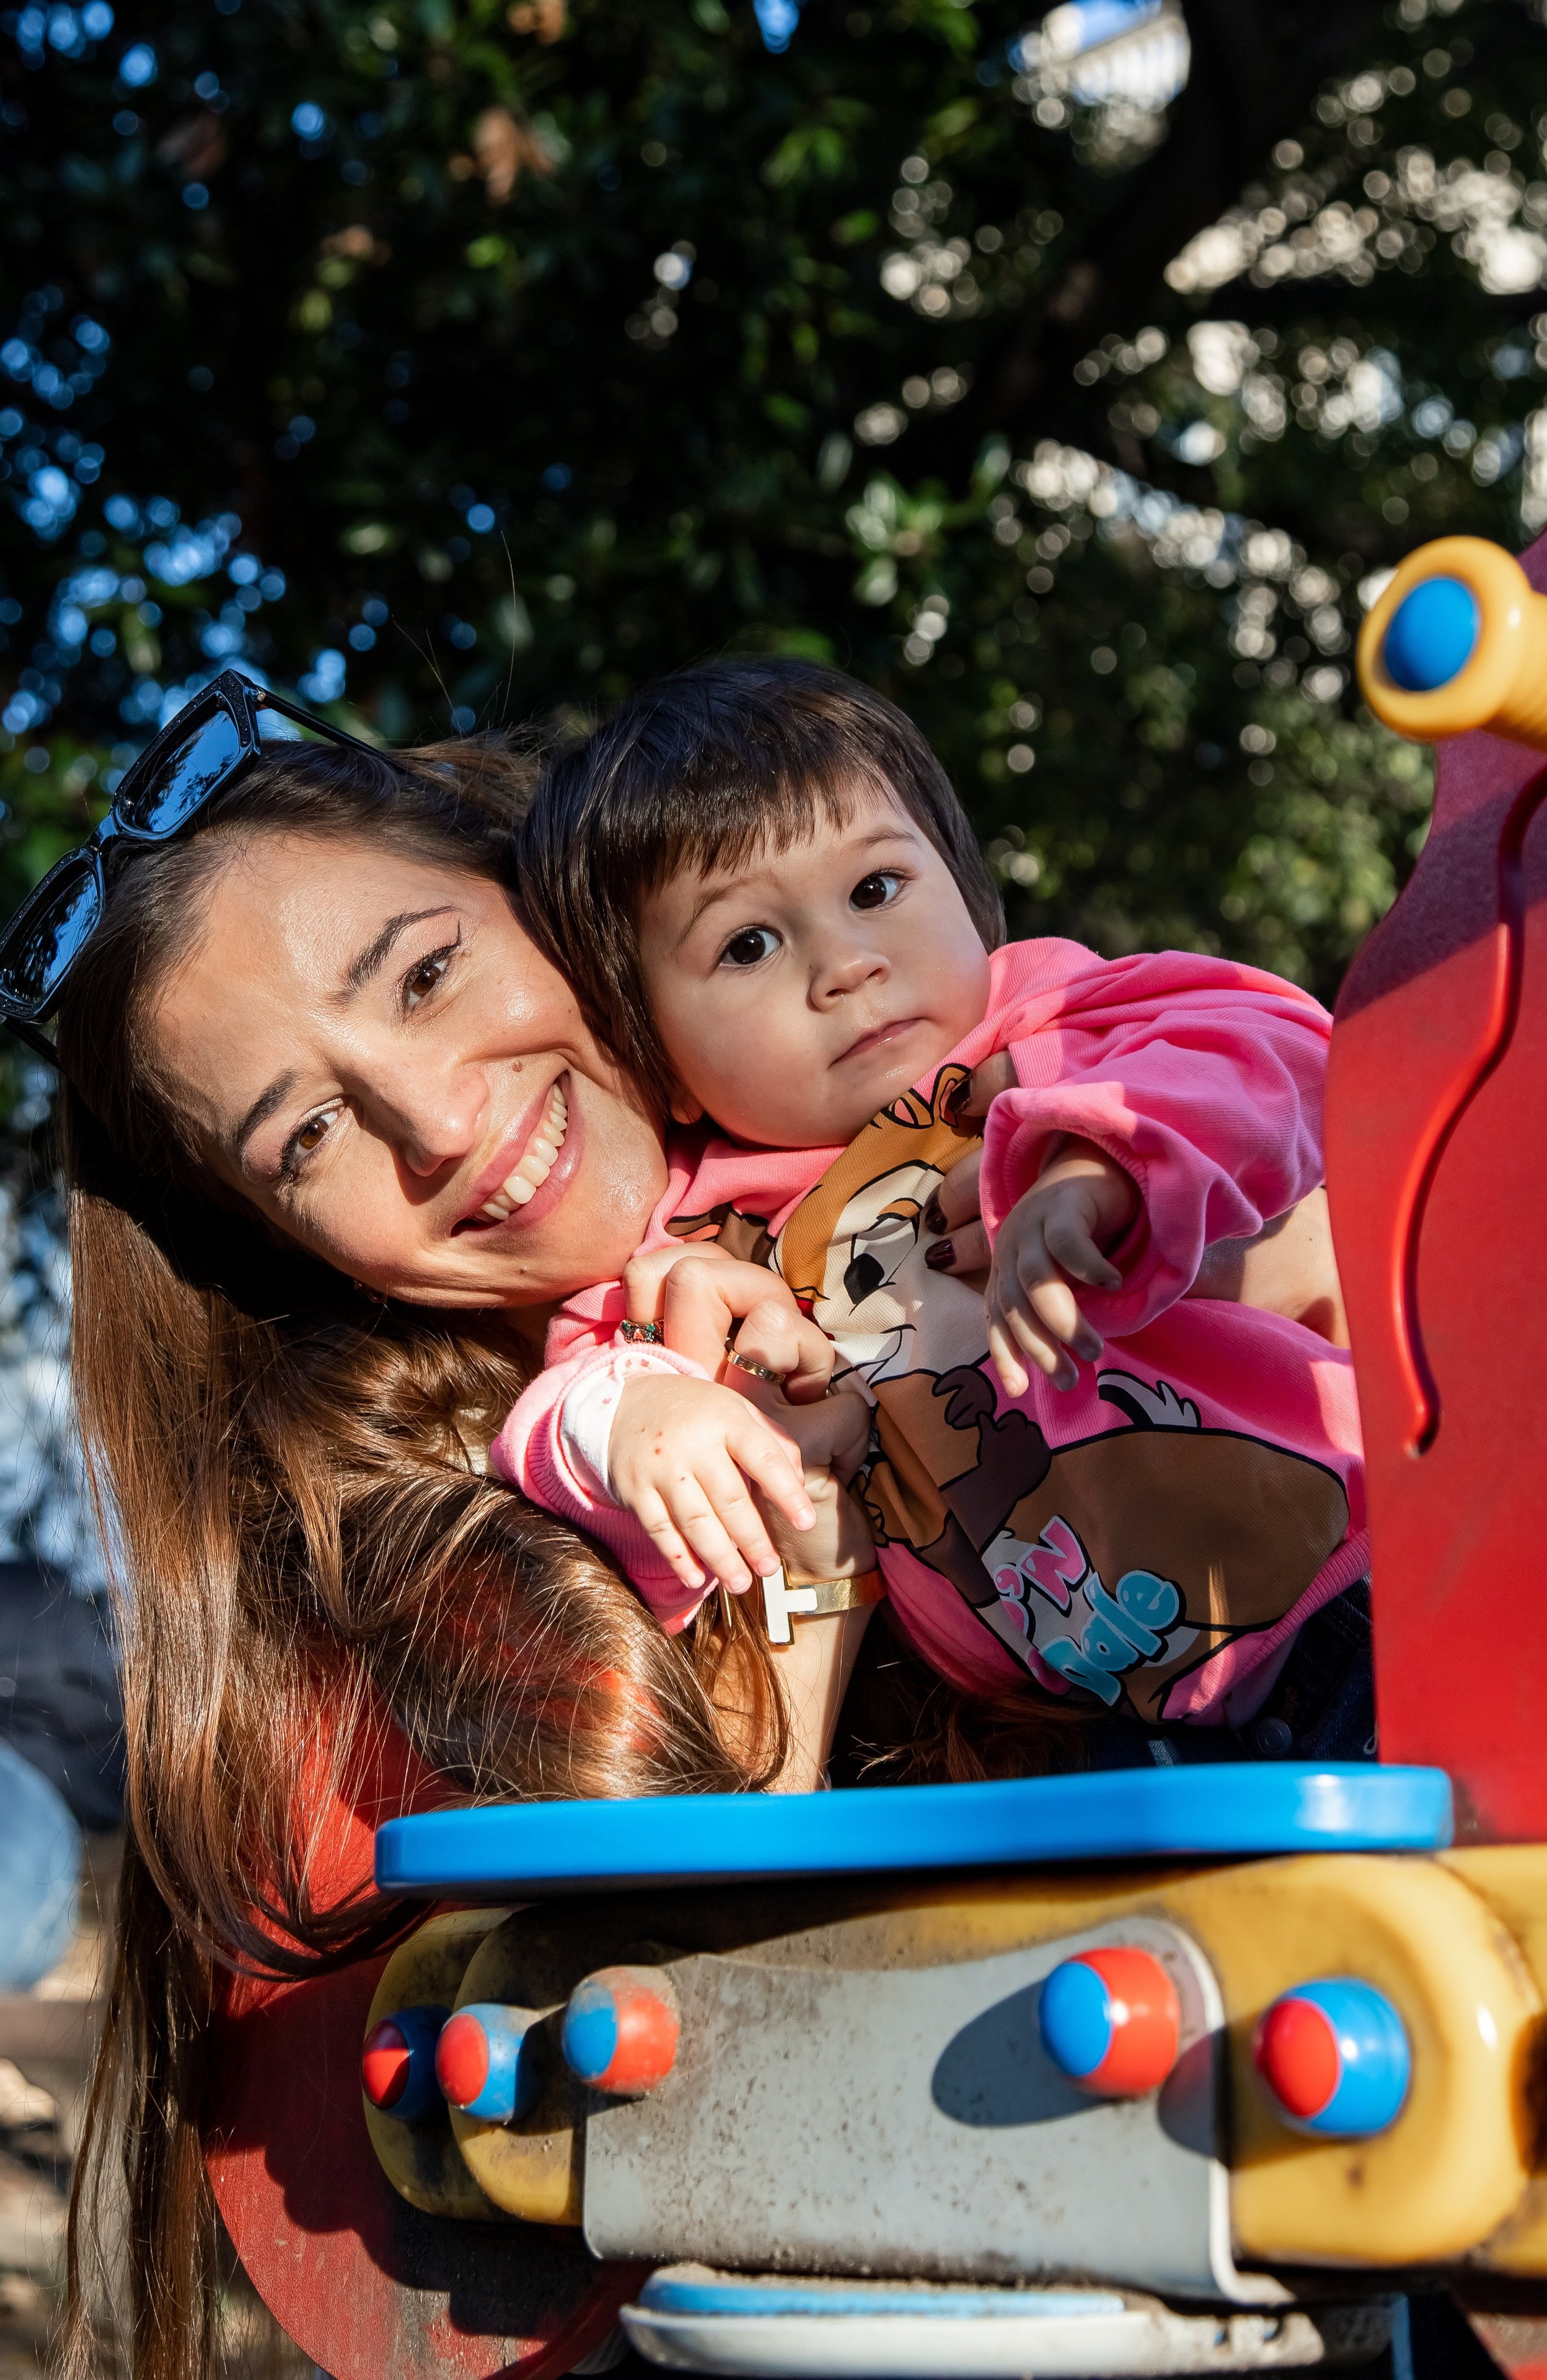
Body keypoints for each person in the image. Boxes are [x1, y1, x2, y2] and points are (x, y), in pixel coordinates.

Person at [0, 677, 862, 2380]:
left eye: (428, 971)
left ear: (546, 883)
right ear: (280, 1242)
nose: (446, 1124)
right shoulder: (420, 1609)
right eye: (311, 1134)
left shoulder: (1003, 1092)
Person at [503, 659, 1367, 1742]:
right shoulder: (700, 1233)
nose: (846, 966)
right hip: (1081, 1725)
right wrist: (634, 1413)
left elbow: (1269, 1046)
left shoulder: (1049, 1019)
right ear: (658, 1057)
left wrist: (1096, 1160)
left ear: (965, 887)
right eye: (747, 945)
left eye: (874, 889)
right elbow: (566, 1391)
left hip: (1353, 1580)